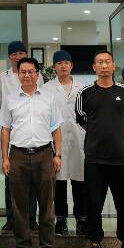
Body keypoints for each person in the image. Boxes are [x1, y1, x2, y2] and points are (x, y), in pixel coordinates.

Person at [75, 50, 124, 248]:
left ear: (113, 66)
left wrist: (114, 135)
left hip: (121, 157)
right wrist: (98, 134)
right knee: (93, 204)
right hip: (94, 158)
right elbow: (81, 118)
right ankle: (95, 246)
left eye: (107, 62)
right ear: (94, 67)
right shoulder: (85, 93)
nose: (104, 66)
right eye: (100, 62)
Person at [0, 57, 62, 248]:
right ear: (18, 74)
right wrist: (5, 157)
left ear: (37, 74)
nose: (27, 75)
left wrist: (57, 154)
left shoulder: (49, 98)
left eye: (31, 71)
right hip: (18, 155)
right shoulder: (10, 99)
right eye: (23, 72)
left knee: (47, 203)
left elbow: (56, 128)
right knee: (19, 204)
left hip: (44, 154)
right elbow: (5, 129)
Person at [0, 41, 43, 233]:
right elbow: (1, 104)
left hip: (33, 132)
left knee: (32, 182)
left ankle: (31, 219)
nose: (18, 56)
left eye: (21, 53)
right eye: (14, 54)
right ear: (10, 57)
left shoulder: (37, 76)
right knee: (11, 182)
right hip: (13, 134)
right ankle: (11, 218)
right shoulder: (2, 78)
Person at [43, 50, 86, 236]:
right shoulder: (46, 88)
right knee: (58, 183)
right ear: (54, 67)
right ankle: (60, 220)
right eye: (59, 63)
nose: (63, 66)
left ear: (72, 65)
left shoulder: (83, 87)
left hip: (79, 139)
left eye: (66, 63)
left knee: (80, 182)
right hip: (56, 141)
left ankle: (81, 219)